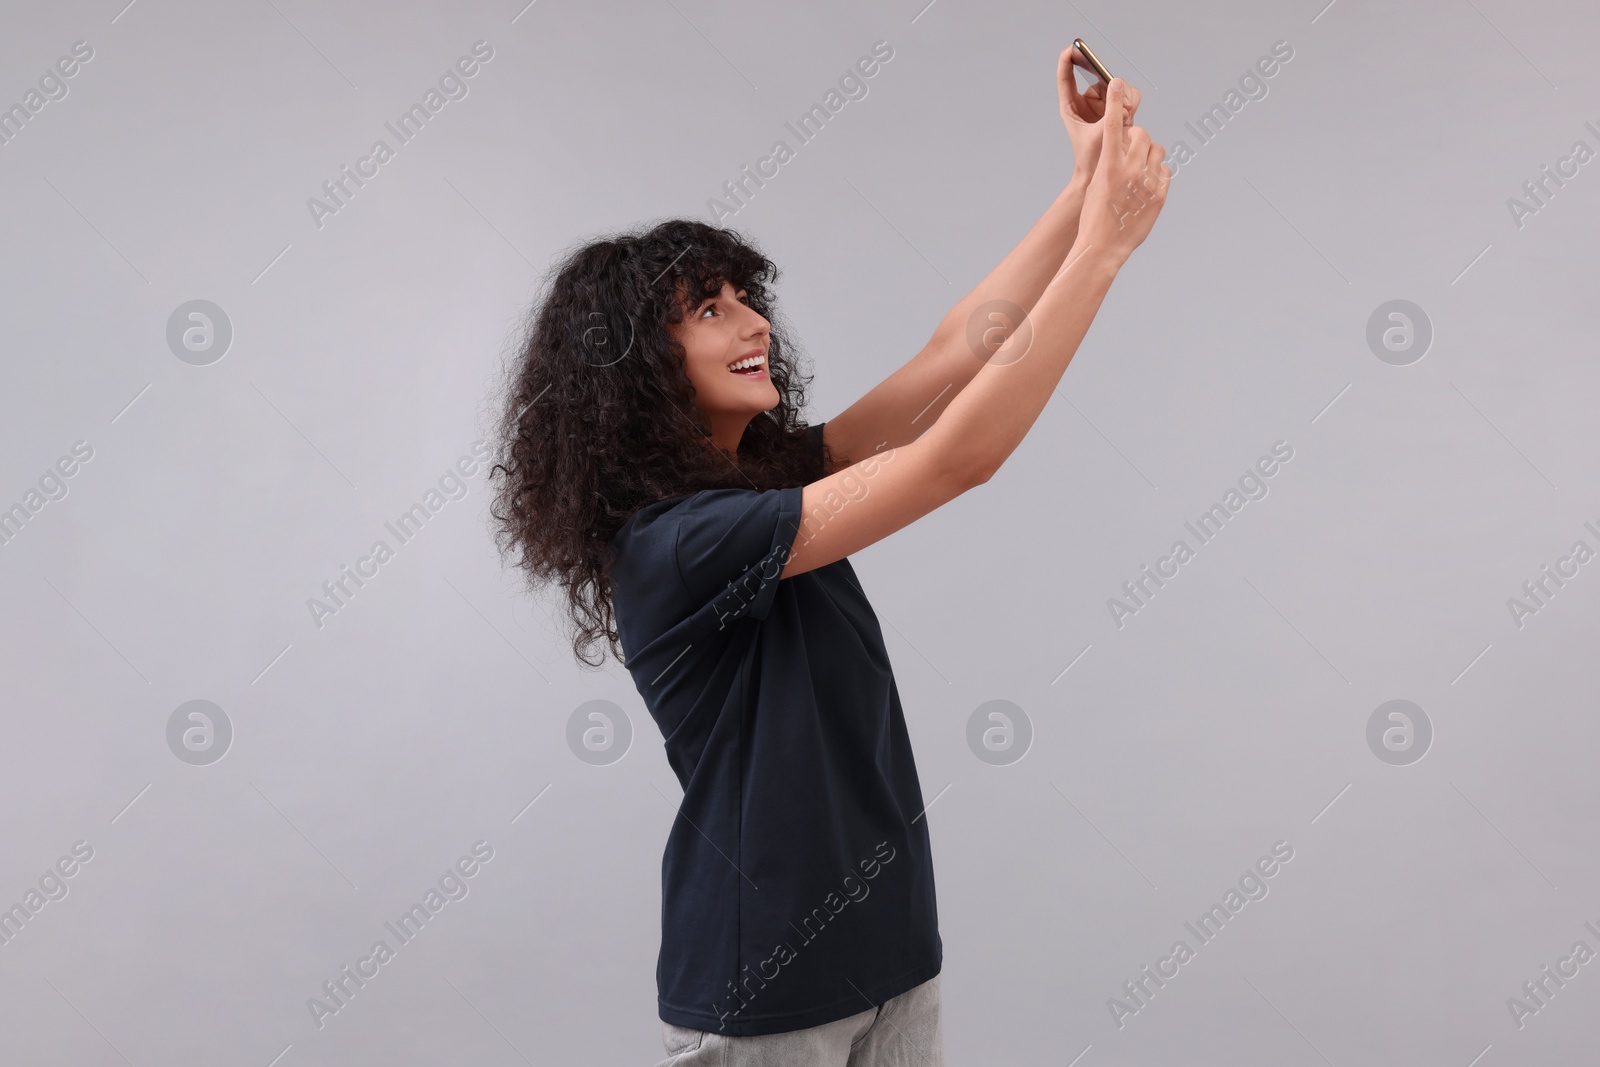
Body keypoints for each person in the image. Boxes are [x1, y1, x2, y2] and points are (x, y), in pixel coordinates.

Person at [487, 50, 1168, 1067]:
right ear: (634, 371)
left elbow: (953, 355)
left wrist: (1078, 193)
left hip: (890, 948)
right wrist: (1103, 251)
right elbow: (954, 459)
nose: (755, 319)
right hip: (764, 984)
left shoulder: (760, 484)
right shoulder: (679, 543)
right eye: (708, 308)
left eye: (743, 296)